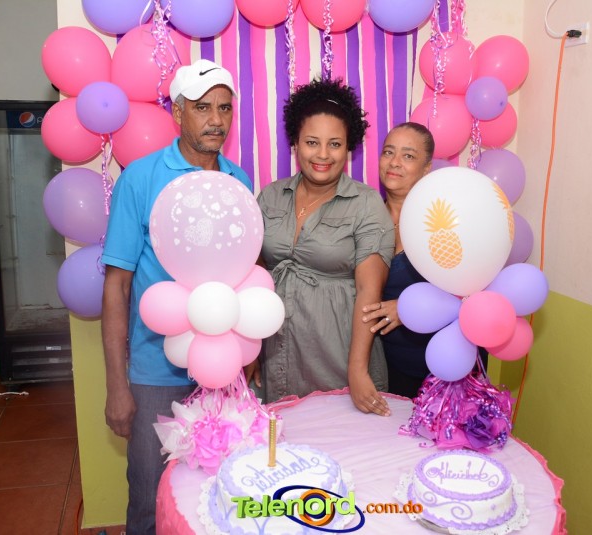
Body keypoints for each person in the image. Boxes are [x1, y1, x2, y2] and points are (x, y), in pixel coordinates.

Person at [100, 59, 251, 535]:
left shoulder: (238, 181)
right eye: (203, 108)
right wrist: (117, 386)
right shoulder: (141, 178)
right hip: (155, 373)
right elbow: (117, 285)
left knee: (218, 493)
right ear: (178, 113)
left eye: (225, 108)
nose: (216, 120)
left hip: (222, 371)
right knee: (149, 496)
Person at [246, 78, 395, 416]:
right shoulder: (270, 196)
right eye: (312, 142)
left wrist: (357, 369)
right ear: (295, 143)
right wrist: (250, 349)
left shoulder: (366, 204)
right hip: (275, 353)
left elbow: (369, 292)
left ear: (349, 147)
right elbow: (254, 277)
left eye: (335, 144)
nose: (323, 155)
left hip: (338, 353)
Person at [361, 122, 435, 398]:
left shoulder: (441, 224)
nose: (394, 162)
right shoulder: (364, 219)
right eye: (388, 152)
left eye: (408, 156)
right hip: (383, 367)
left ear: (426, 169)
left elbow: (467, 293)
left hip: (439, 366)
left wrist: (408, 307)